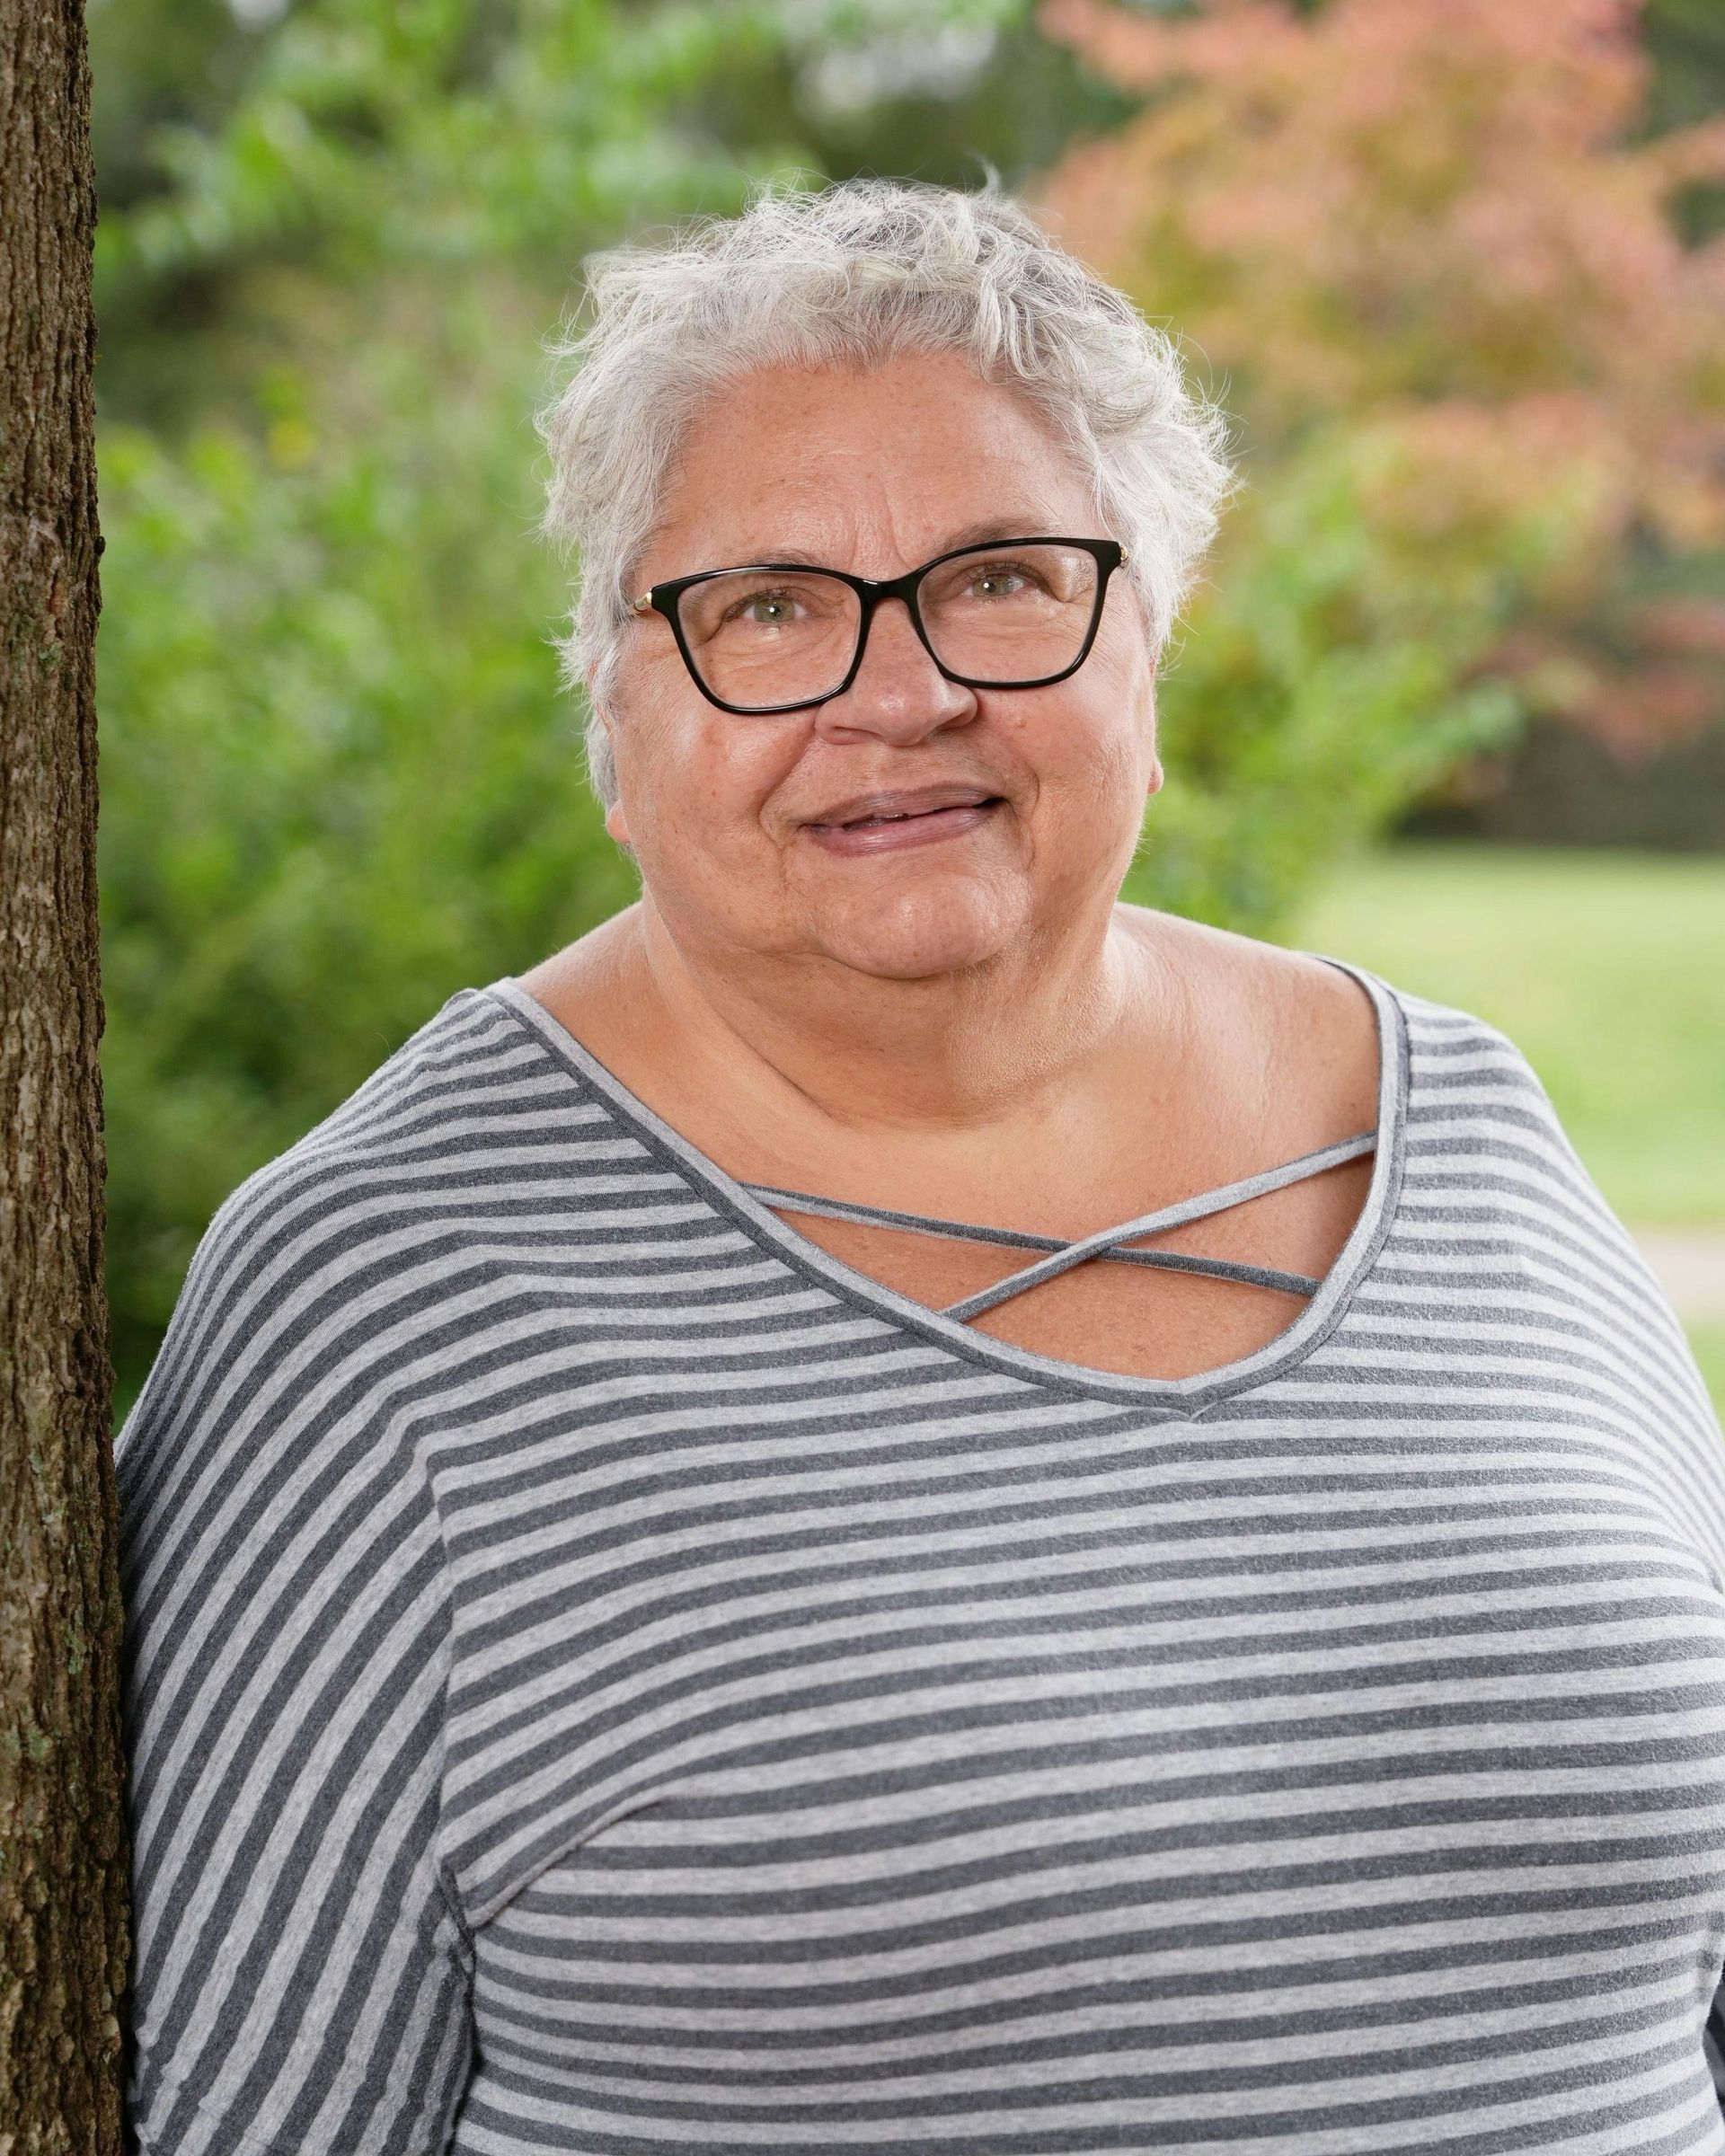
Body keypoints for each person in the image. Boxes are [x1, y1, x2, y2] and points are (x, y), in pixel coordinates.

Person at [115, 177, 1725, 2155]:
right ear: (619, 701)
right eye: (768, 606)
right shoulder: (385, 1296)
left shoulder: (1472, 1136)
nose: (900, 693)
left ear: (1149, 632)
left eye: (1002, 577)